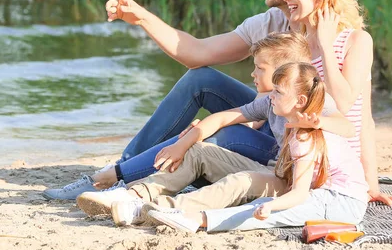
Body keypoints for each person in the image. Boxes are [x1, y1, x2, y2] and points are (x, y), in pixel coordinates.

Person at [43, 0, 392, 206]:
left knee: (224, 139)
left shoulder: (350, 41)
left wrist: (368, 183)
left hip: (303, 146)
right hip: (275, 123)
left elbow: (360, 117)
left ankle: (132, 180)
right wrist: (140, 17)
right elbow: (196, 52)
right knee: (201, 79)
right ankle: (121, 172)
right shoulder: (271, 24)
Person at [74, 33, 354, 218]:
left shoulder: (314, 100)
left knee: (236, 178)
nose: (253, 73)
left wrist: (317, 121)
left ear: (285, 73)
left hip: (295, 184)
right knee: (197, 150)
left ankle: (153, 207)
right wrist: (183, 143)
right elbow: (222, 117)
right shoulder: (270, 103)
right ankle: (134, 194)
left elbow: (348, 127)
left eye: (260, 69)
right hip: (277, 172)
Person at [147, 62, 369, 233]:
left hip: (341, 201)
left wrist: (271, 207)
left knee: (269, 211)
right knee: (265, 203)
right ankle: (170, 208)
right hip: (322, 193)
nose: (270, 96)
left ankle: (197, 220)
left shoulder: (305, 136)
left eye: (278, 92)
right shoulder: (294, 127)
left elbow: (299, 194)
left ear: (300, 100)